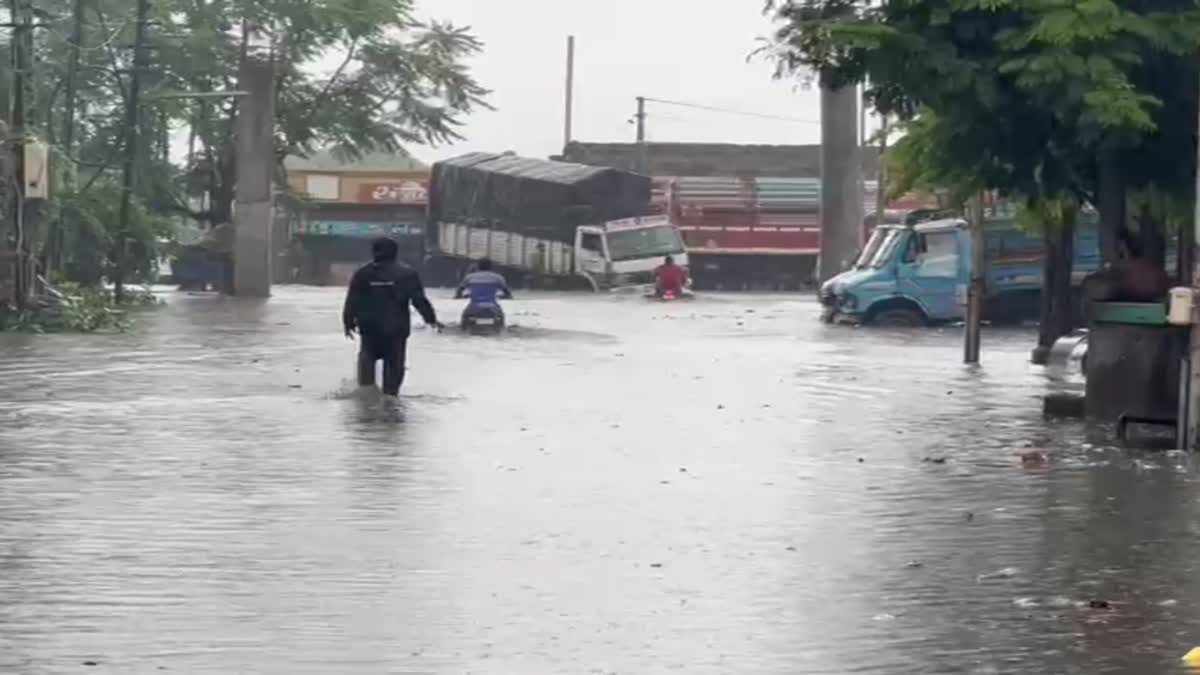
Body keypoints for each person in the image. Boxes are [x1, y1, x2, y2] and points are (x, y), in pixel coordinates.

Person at [342, 237, 441, 396]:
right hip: (395, 329)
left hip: (369, 328)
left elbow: (352, 300)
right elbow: (419, 300)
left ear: (374, 252)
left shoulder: (363, 273)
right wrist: (431, 319)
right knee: (394, 368)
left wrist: (348, 322)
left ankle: (366, 401)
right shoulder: (407, 273)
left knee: (367, 359)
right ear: (396, 253)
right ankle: (390, 401)